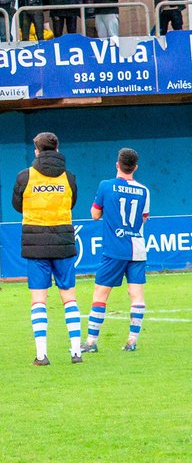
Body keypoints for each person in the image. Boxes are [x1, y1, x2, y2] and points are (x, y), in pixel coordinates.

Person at [12, 132, 82, 366]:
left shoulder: (25, 176)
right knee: (69, 299)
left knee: (38, 301)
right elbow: (72, 203)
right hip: (63, 243)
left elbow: (17, 205)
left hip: (36, 245)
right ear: (57, 148)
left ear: (37, 151)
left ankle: (41, 355)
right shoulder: (69, 177)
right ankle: (76, 352)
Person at [84, 148, 150, 354]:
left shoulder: (106, 185)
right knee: (136, 295)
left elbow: (95, 214)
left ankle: (91, 342)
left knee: (100, 294)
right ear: (135, 167)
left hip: (114, 250)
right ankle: (132, 341)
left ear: (117, 164)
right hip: (137, 248)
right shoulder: (144, 190)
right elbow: (143, 219)